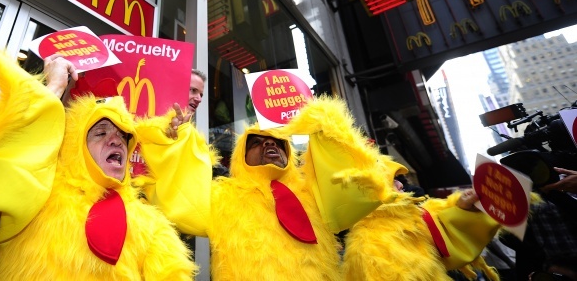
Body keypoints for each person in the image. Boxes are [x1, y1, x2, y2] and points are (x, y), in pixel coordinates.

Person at [0, 53, 197, 279]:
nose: (115, 140)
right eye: (100, 133)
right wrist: (53, 87)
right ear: (76, 148)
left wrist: (172, 147)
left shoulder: (148, 225)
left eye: (123, 136)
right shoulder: (41, 193)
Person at [135, 94, 406, 280]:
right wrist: (174, 140)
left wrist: (326, 128)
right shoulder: (221, 197)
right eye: (256, 142)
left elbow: (353, 182)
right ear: (240, 157)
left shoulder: (314, 194)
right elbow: (183, 193)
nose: (269, 144)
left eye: (277, 142)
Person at [341, 177, 502, 281]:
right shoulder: (369, 247)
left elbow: (440, 228)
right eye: (389, 180)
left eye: (396, 178)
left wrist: (462, 209)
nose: (400, 184)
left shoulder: (400, 223)